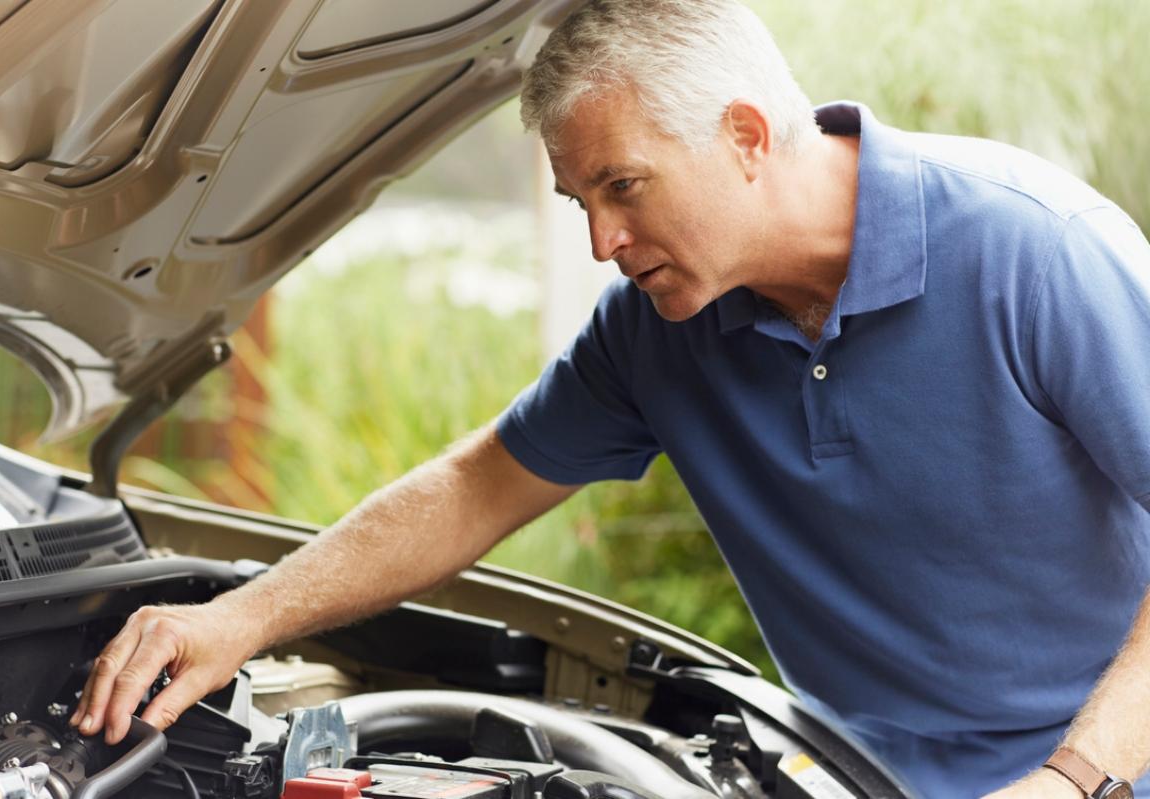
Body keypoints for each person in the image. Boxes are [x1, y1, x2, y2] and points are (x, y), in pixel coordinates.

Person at [71, 1, 1150, 797]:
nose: (600, 242)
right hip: (855, 778)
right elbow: (474, 484)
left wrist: (1072, 780)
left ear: (745, 135)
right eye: (578, 200)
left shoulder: (1032, 254)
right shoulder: (658, 327)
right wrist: (239, 616)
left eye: (622, 187)